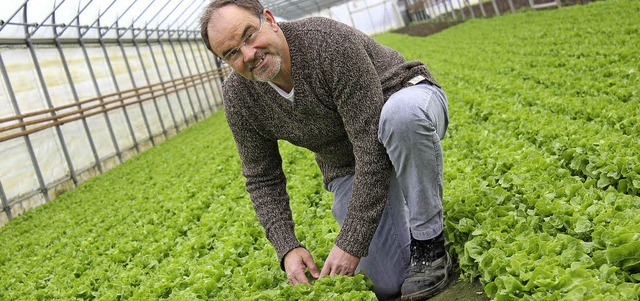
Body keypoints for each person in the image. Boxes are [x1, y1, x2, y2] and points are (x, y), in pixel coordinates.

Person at [199, 0, 452, 299]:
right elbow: (262, 178)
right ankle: (407, 216)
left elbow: (371, 145)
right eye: (232, 53)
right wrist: (287, 248)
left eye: (249, 35)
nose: (248, 54)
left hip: (405, 104)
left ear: (269, 19)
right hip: (349, 162)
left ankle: (430, 243)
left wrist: (351, 243)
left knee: (401, 117)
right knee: (387, 282)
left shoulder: (326, 43)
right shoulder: (240, 98)